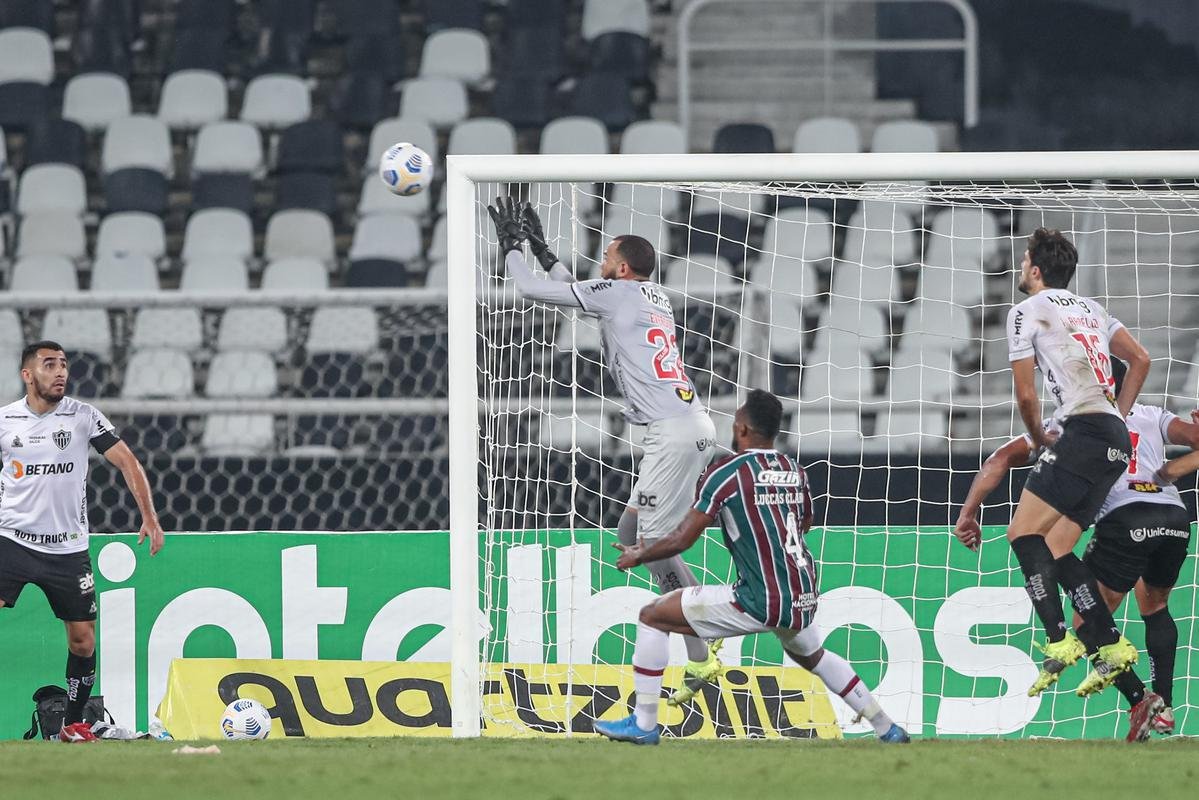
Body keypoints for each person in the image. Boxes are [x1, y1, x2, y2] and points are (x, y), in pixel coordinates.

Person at [488, 198, 722, 705]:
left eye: (606, 258)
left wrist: (511, 247)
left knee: (656, 543)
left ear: (619, 267)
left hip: (673, 432)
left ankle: (703, 645)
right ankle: (694, 621)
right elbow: (579, 293)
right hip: (685, 423)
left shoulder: (618, 293)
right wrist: (545, 249)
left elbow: (530, 290)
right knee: (629, 532)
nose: (600, 265)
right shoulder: (650, 295)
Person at [594, 389, 908, 745]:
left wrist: (640, 554)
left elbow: (683, 539)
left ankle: (645, 724)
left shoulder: (726, 474)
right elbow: (804, 524)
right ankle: (887, 727)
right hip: (802, 592)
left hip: (758, 597)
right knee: (814, 656)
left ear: (742, 427)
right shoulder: (795, 470)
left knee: (652, 615)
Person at [955, 358, 1199, 740]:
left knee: (1087, 618)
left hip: (1126, 519)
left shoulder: (1076, 424)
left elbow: (1000, 458)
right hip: (1175, 519)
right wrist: (1174, 471)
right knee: (1155, 607)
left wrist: (969, 512)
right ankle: (1163, 709)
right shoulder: (1153, 414)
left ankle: (1137, 696)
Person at [1002, 227, 1151, 698]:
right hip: (1112, 437)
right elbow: (1141, 360)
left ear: (1037, 269)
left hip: (1081, 432)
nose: (1021, 267)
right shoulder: (1093, 309)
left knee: (1022, 534)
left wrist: (1037, 436)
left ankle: (1059, 640)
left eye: (1025, 260)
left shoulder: (1025, 311)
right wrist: (1119, 415)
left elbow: (1026, 393)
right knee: (1059, 547)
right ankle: (1109, 645)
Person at [0, 341, 165, 743]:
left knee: (83, 640)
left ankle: (73, 724)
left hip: (68, 550)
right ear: (27, 374)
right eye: (49, 364)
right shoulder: (5, 421)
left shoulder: (83, 416)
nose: (60, 372)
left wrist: (150, 516)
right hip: (12, 542)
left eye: (64, 365)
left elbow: (127, 460)